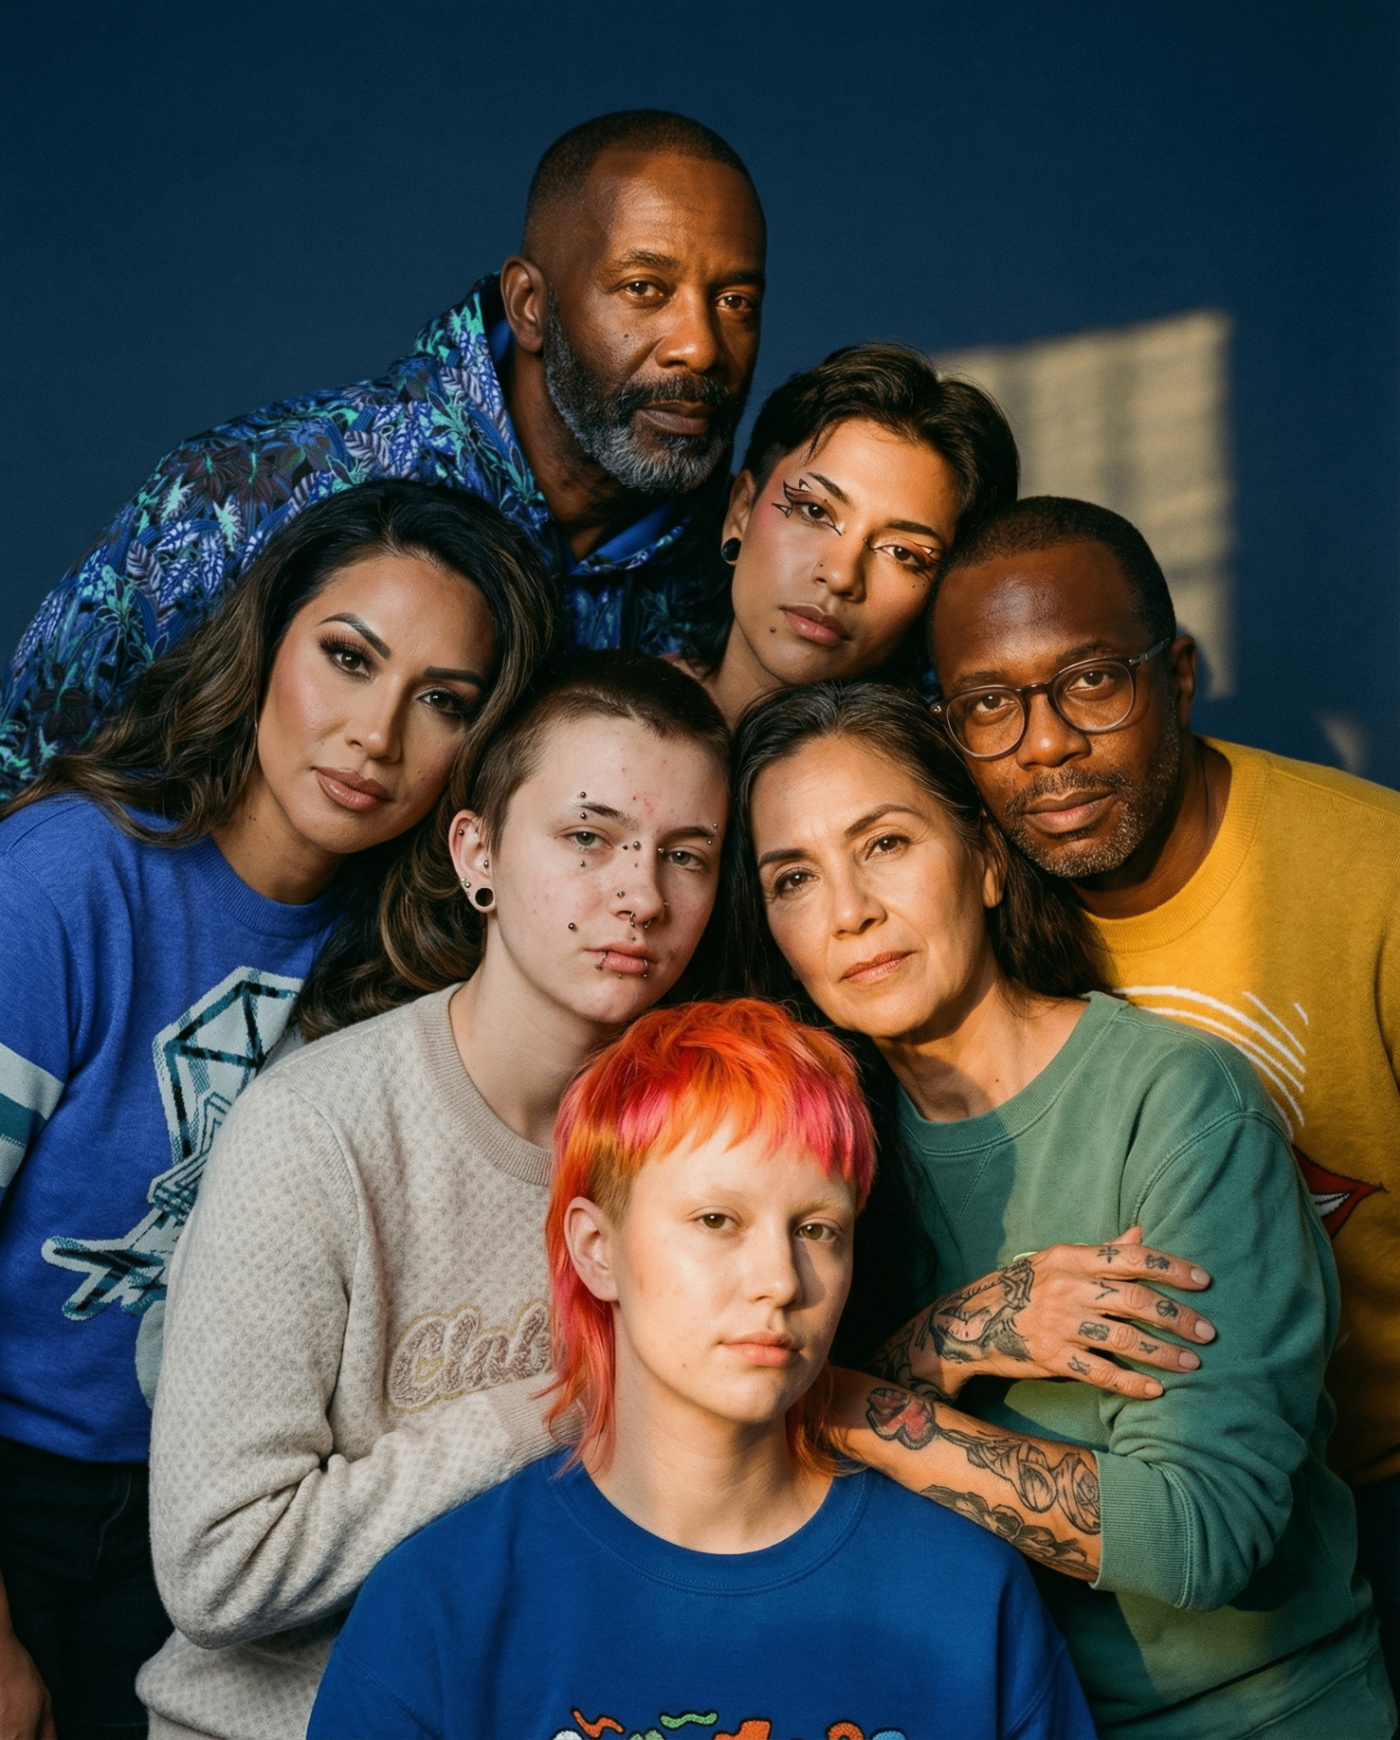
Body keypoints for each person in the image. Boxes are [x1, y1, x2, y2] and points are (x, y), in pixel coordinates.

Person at [728, 680, 1393, 1740]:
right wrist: (956, 1334)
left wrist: (838, 1405)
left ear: (987, 861)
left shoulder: (1174, 1101)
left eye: (885, 844)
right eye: (793, 877)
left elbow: (1198, 1537)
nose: (847, 910)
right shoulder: (811, 1151)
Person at [0, 479, 558, 1740]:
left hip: (195, 1517)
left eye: (443, 703)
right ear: (265, 645)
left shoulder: (408, 961)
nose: (374, 734)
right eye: (348, 659)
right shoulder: (65, 886)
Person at [137, 652, 731, 1740]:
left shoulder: (700, 1148)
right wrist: (560, 1404)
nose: (639, 897)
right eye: (588, 838)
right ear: (478, 853)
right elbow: (217, 1571)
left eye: (683, 856)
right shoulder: (315, 1131)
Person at [307, 997, 1094, 1740]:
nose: (782, 1282)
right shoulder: (441, 1610)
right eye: (718, 1220)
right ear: (597, 1250)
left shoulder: (964, 1600)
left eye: (818, 1229)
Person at [925, 495, 1400, 1693]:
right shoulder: (954, 939)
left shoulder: (1372, 876)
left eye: (1090, 681)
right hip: (1107, 1573)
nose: (1044, 744)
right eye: (990, 706)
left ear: (1176, 677)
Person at [0, 108, 767, 796]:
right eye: (643, 288)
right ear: (531, 307)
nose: (700, 345)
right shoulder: (255, 489)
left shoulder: (740, 565)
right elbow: (28, 786)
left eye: (736, 302)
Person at [676, 343, 1017, 726]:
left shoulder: (932, 780)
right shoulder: (605, 717)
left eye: (902, 553)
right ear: (740, 511)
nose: (840, 576)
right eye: (815, 511)